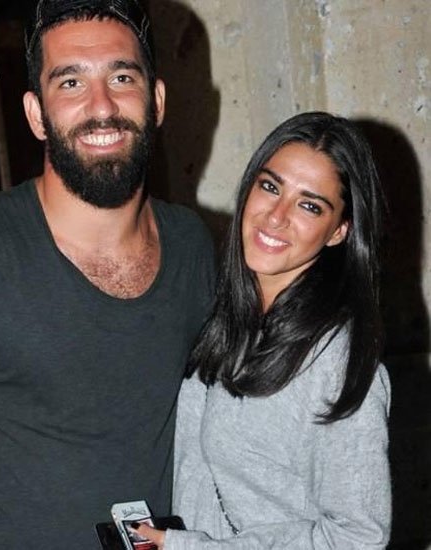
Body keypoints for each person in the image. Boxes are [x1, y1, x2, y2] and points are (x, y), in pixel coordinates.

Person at [0, 0, 215, 548]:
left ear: (156, 101)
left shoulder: (191, 244)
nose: (101, 106)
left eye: (122, 77)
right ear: (36, 114)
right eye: (70, 83)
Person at [135, 111, 391, 549]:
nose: (276, 216)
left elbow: (359, 537)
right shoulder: (228, 317)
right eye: (270, 187)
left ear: (339, 231)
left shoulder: (335, 362)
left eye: (310, 206)